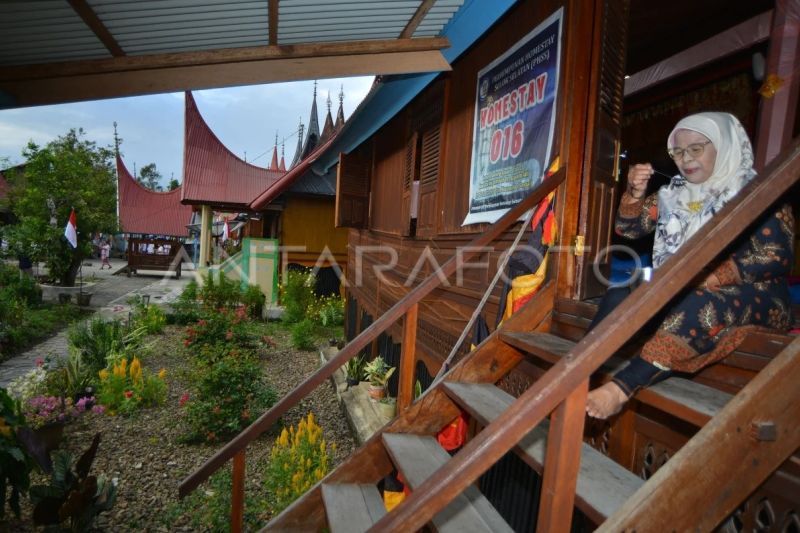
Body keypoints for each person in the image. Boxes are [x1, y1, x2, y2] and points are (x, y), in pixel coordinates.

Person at [585, 112, 794, 419]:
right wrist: (634, 193)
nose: (685, 159)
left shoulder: (757, 192)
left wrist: (709, 276)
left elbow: (775, 256)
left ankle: (621, 388)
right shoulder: (673, 193)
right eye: (678, 152)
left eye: (696, 149)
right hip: (680, 285)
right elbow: (628, 230)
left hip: (755, 294)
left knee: (697, 302)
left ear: (723, 147)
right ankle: (582, 371)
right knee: (620, 294)